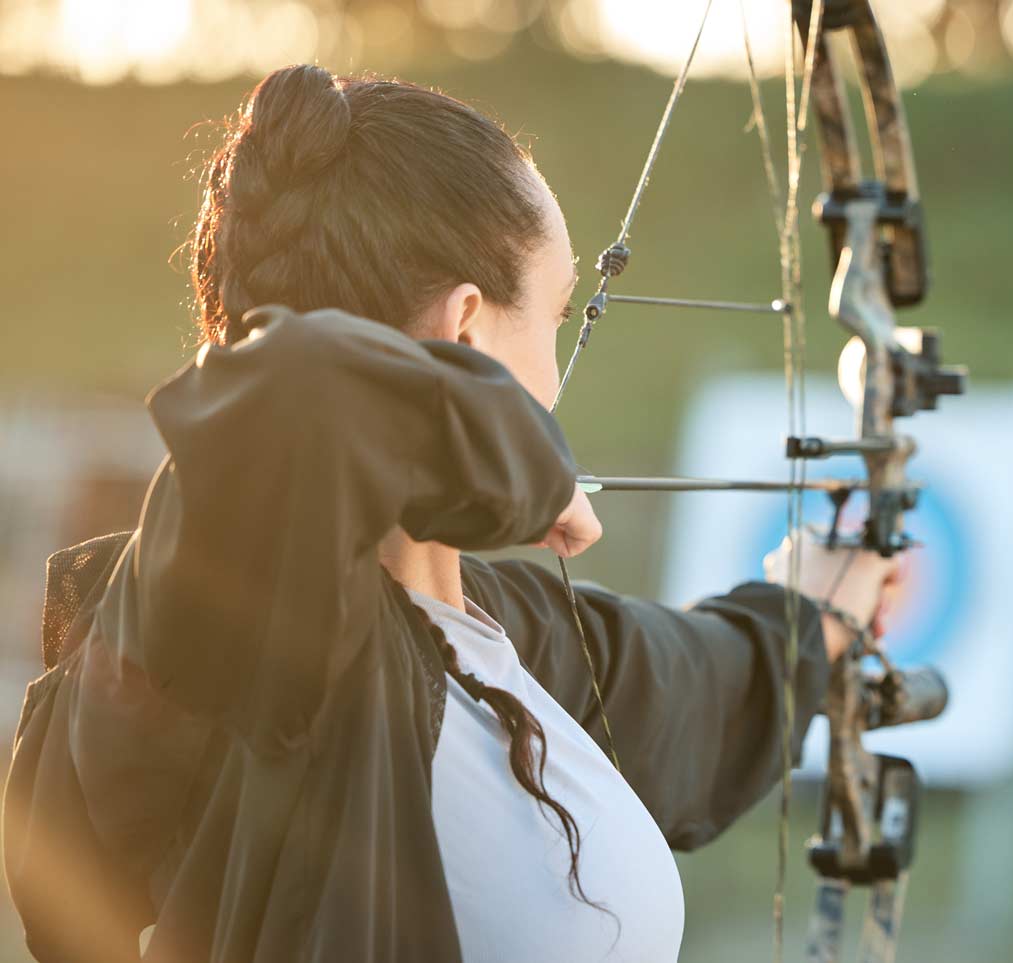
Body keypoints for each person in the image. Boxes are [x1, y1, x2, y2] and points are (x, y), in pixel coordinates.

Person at [2, 64, 902, 963]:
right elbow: (285, 391)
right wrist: (506, 448)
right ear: (466, 330)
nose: (553, 380)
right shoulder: (248, 626)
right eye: (556, 313)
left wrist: (811, 605)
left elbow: (680, 685)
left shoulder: (491, 635)